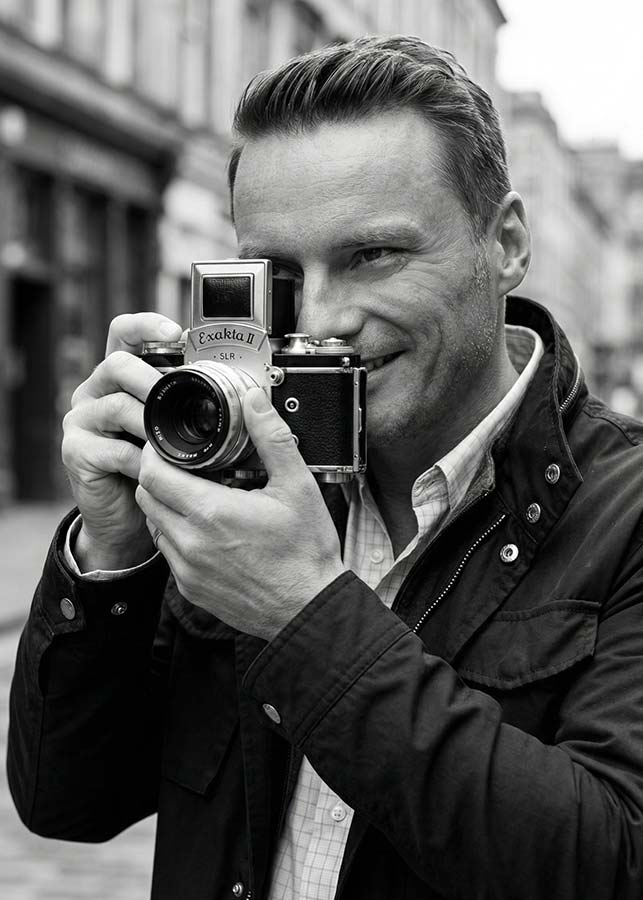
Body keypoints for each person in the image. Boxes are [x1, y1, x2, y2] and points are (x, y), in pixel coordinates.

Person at [7, 35, 643, 900]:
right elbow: (66, 800)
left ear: (505, 243)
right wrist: (113, 556)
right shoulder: (236, 487)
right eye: (277, 273)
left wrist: (306, 613)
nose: (324, 319)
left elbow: (608, 864)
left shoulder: (623, 511)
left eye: (373, 255)